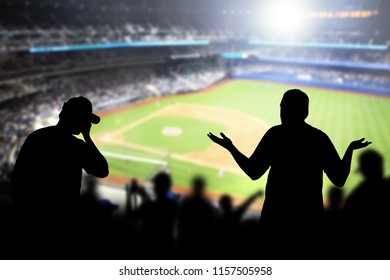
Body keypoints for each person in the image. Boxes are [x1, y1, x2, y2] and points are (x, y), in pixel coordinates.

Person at [208, 89, 371, 258]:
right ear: (306, 111)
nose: (282, 111)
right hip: (310, 220)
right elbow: (339, 178)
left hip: (275, 217)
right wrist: (350, 150)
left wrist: (230, 147)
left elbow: (254, 171)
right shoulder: (319, 138)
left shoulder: (275, 134)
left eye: (284, 107)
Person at [11, 96, 109, 258]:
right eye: (85, 119)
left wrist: (24, 214)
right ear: (78, 119)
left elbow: (17, 178)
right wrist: (87, 137)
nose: (88, 124)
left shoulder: (36, 136)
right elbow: (102, 170)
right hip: (60, 226)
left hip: (28, 221)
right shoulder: (75, 146)